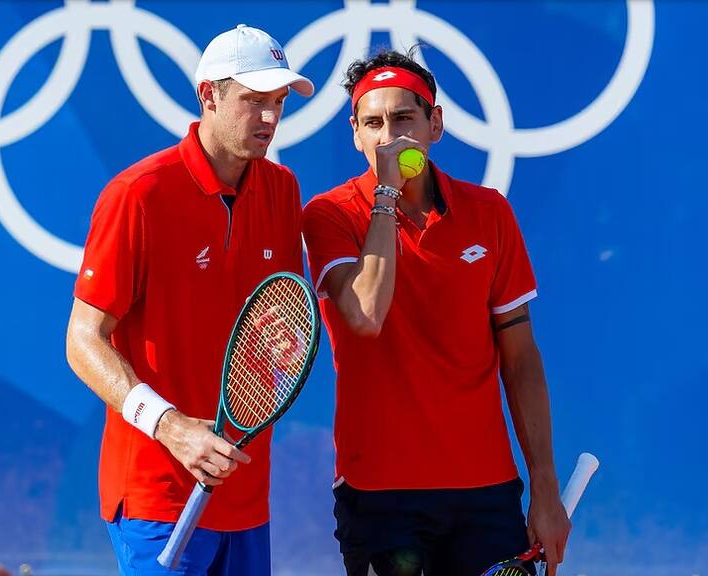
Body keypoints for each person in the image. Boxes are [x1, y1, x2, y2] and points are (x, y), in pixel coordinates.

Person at [301, 48, 570, 576]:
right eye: (373, 123)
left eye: (405, 118)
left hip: (486, 492)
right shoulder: (328, 215)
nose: (390, 137)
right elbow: (365, 314)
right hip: (379, 494)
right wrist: (386, 193)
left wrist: (545, 488)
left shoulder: (490, 212)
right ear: (355, 134)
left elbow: (520, 360)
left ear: (435, 124)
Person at [65, 24, 313, 576]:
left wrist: (282, 340)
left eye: (277, 103)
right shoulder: (139, 194)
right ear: (209, 95)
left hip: (245, 496)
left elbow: (280, 324)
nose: (270, 119)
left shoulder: (282, 189)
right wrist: (171, 426)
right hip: (157, 497)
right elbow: (82, 340)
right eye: (254, 102)